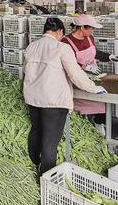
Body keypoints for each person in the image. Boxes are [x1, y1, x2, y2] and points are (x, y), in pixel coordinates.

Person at [23, 17, 107, 175]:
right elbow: (75, 75)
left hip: (33, 98)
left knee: (36, 131)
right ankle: (46, 176)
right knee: (50, 141)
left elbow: (26, 71)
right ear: (60, 31)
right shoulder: (61, 47)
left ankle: (34, 163)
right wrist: (94, 88)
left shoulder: (31, 47)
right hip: (53, 101)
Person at [61, 14, 118, 134]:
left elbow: (95, 53)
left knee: (100, 103)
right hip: (78, 79)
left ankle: (98, 123)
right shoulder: (66, 42)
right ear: (82, 27)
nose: (92, 30)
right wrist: (85, 67)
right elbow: (66, 63)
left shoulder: (90, 38)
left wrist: (109, 56)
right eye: (91, 28)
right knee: (82, 107)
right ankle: (81, 130)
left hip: (93, 76)